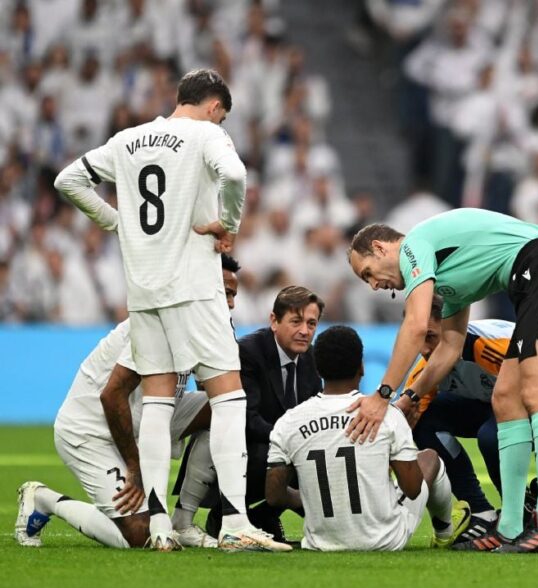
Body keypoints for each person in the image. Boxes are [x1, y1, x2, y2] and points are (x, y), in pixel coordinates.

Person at [52, 68, 286, 552]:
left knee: (158, 401)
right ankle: (238, 523)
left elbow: (68, 180)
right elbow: (236, 174)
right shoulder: (206, 134)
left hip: (144, 292)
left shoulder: (127, 140)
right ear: (214, 106)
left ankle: (160, 526)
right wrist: (230, 224)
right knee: (228, 396)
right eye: (221, 113)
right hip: (194, 286)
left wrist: (117, 223)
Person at [347, 207, 538, 553]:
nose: (373, 285)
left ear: (382, 248)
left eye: (368, 272)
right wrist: (409, 397)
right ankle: (509, 526)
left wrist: (383, 394)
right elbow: (448, 349)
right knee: (505, 397)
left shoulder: (414, 245)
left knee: (537, 392)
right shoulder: (449, 278)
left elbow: (416, 327)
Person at [15, 255, 242, 549]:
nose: (232, 303)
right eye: (225, 293)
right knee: (140, 534)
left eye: (234, 294)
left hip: (146, 415)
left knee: (222, 409)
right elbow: (111, 396)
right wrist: (135, 467)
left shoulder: (204, 326)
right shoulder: (156, 322)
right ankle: (44, 499)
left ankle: (183, 521)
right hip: (90, 430)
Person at [398, 295, 538, 544]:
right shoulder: (428, 365)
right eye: (417, 339)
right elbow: (403, 421)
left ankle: (516, 516)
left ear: (450, 324)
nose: (424, 350)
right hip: (493, 404)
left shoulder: (490, 346)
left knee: (492, 436)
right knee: (422, 421)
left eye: (430, 337)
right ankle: (481, 512)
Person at [264, 325, 469, 551]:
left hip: (319, 543)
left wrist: (314, 500)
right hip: (386, 540)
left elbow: (274, 495)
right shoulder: (387, 416)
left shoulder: (289, 422)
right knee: (430, 459)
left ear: (317, 369)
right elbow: (412, 489)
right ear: (362, 367)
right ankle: (444, 533)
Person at [206, 286, 324, 541]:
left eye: (311, 323)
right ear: (274, 321)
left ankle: (266, 515)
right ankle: (226, 512)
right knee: (277, 455)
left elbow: (316, 412)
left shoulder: (312, 358)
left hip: (286, 446)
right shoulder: (248, 352)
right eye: (296, 321)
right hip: (250, 447)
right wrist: (291, 440)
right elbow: (247, 419)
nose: (305, 331)